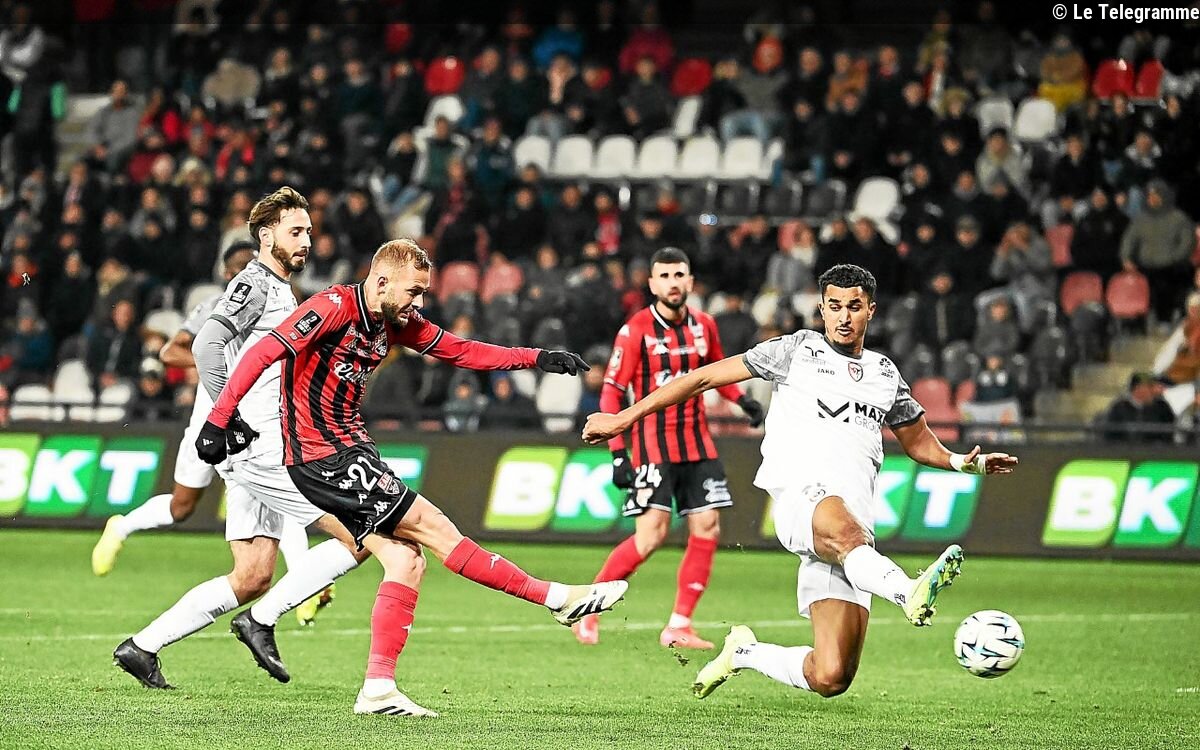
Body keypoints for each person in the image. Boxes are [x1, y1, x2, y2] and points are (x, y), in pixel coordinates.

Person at [196, 238, 627, 717]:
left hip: (352, 450)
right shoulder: (331, 307)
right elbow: (262, 353)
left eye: (423, 293)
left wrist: (536, 357)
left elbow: (461, 351)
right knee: (435, 528)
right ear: (381, 281)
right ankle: (558, 598)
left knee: (406, 559)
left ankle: (378, 688)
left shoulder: (395, 322)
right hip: (323, 456)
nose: (418, 303)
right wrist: (219, 419)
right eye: (413, 291)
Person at [583, 264, 1018, 700]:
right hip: (801, 498)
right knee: (846, 534)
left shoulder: (885, 374)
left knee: (832, 676)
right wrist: (624, 419)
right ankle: (908, 591)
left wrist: (965, 463)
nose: (843, 316)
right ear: (821, 309)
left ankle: (744, 653)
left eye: (854, 307)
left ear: (870, 310)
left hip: (853, 535)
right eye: (834, 306)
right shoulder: (795, 350)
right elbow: (702, 378)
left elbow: (918, 441)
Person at [112, 189, 370, 694]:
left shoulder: (281, 289)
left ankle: (142, 647)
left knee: (252, 575)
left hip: (258, 445)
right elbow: (206, 344)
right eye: (296, 231)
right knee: (363, 531)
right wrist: (224, 415)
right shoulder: (254, 284)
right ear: (266, 236)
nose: (306, 240)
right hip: (262, 448)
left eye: (309, 231)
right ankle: (260, 621)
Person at [573, 248, 765, 649]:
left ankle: (679, 625)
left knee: (708, 526)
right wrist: (618, 453)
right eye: (664, 276)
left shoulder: (705, 325)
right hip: (652, 446)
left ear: (690, 281)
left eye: (679, 275)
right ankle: (588, 609)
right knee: (650, 536)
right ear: (652, 283)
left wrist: (740, 399)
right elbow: (612, 392)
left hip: (698, 443)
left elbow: (716, 372)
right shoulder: (635, 330)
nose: (673, 283)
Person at [1101, 372, 1176, 443]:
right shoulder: (1119, 408)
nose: (1155, 391)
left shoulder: (1162, 407)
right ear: (1138, 388)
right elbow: (1110, 436)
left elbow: (1169, 434)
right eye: (1150, 386)